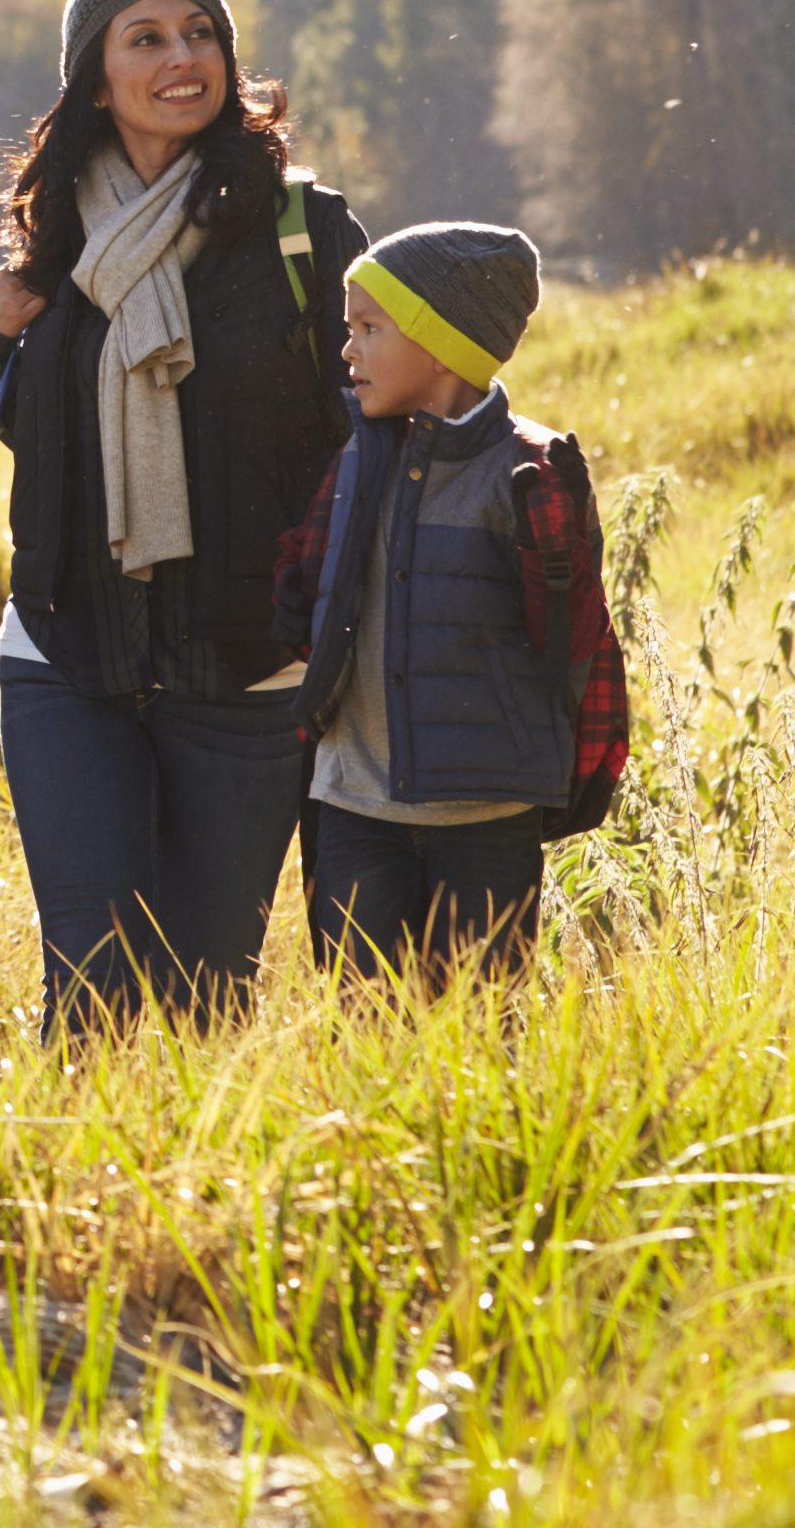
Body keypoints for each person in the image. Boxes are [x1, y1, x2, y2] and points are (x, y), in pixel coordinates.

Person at [0, 0, 367, 1030]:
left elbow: (370, 423)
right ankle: (68, 1196)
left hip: (245, 666)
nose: (183, 57)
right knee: (86, 981)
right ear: (95, 75)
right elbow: (21, 416)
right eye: (147, 37)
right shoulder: (56, 242)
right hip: (67, 649)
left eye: (201, 34)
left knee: (206, 990)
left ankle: (189, 1199)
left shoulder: (300, 232)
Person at [269, 220, 628, 984]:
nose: (349, 349)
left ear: (440, 345)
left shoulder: (531, 474)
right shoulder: (355, 459)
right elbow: (301, 590)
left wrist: (569, 779)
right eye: (348, 328)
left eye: (370, 327)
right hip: (354, 808)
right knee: (367, 1029)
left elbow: (576, 647)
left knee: (482, 1028)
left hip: (486, 821)